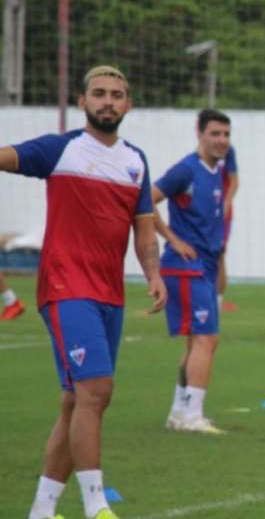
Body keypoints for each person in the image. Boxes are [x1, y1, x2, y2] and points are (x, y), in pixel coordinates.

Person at [0, 65, 166, 519]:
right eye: (99, 93)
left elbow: (145, 231)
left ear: (128, 104)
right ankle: (97, 507)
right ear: (83, 101)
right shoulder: (61, 150)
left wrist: (152, 273)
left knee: (77, 400)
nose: (108, 101)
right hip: (65, 286)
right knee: (96, 391)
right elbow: (5, 156)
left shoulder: (136, 160)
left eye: (116, 94)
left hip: (110, 295)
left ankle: (41, 509)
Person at [154, 109, 232, 435]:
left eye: (226, 134)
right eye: (215, 133)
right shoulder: (186, 170)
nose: (222, 141)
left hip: (205, 265)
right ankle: (192, 416)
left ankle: (179, 412)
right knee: (206, 339)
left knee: (195, 343)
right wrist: (172, 238)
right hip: (185, 266)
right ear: (199, 134)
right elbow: (145, 202)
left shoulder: (217, 171)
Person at [216, 143, 239, 311]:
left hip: (221, 215)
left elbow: (234, 181)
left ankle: (217, 303)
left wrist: (226, 202)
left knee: (219, 255)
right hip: (203, 214)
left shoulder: (228, 151)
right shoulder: (198, 155)